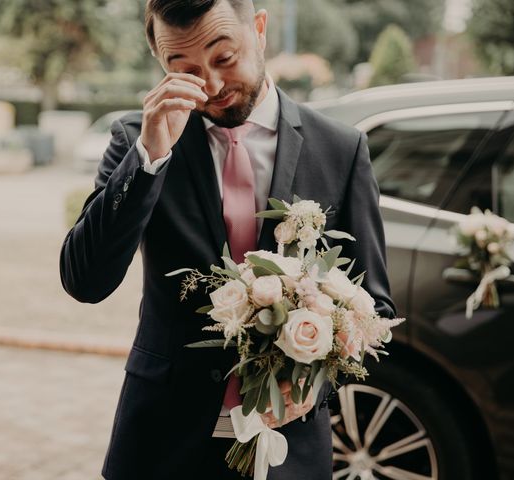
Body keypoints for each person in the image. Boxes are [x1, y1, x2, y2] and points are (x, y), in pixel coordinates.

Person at [59, 1, 396, 478]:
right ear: (162, 65)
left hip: (287, 450)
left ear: (258, 29)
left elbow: (374, 309)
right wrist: (150, 157)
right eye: (188, 71)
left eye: (224, 58)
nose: (212, 86)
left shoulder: (339, 149)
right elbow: (84, 280)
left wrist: (310, 382)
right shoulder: (137, 139)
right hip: (161, 442)